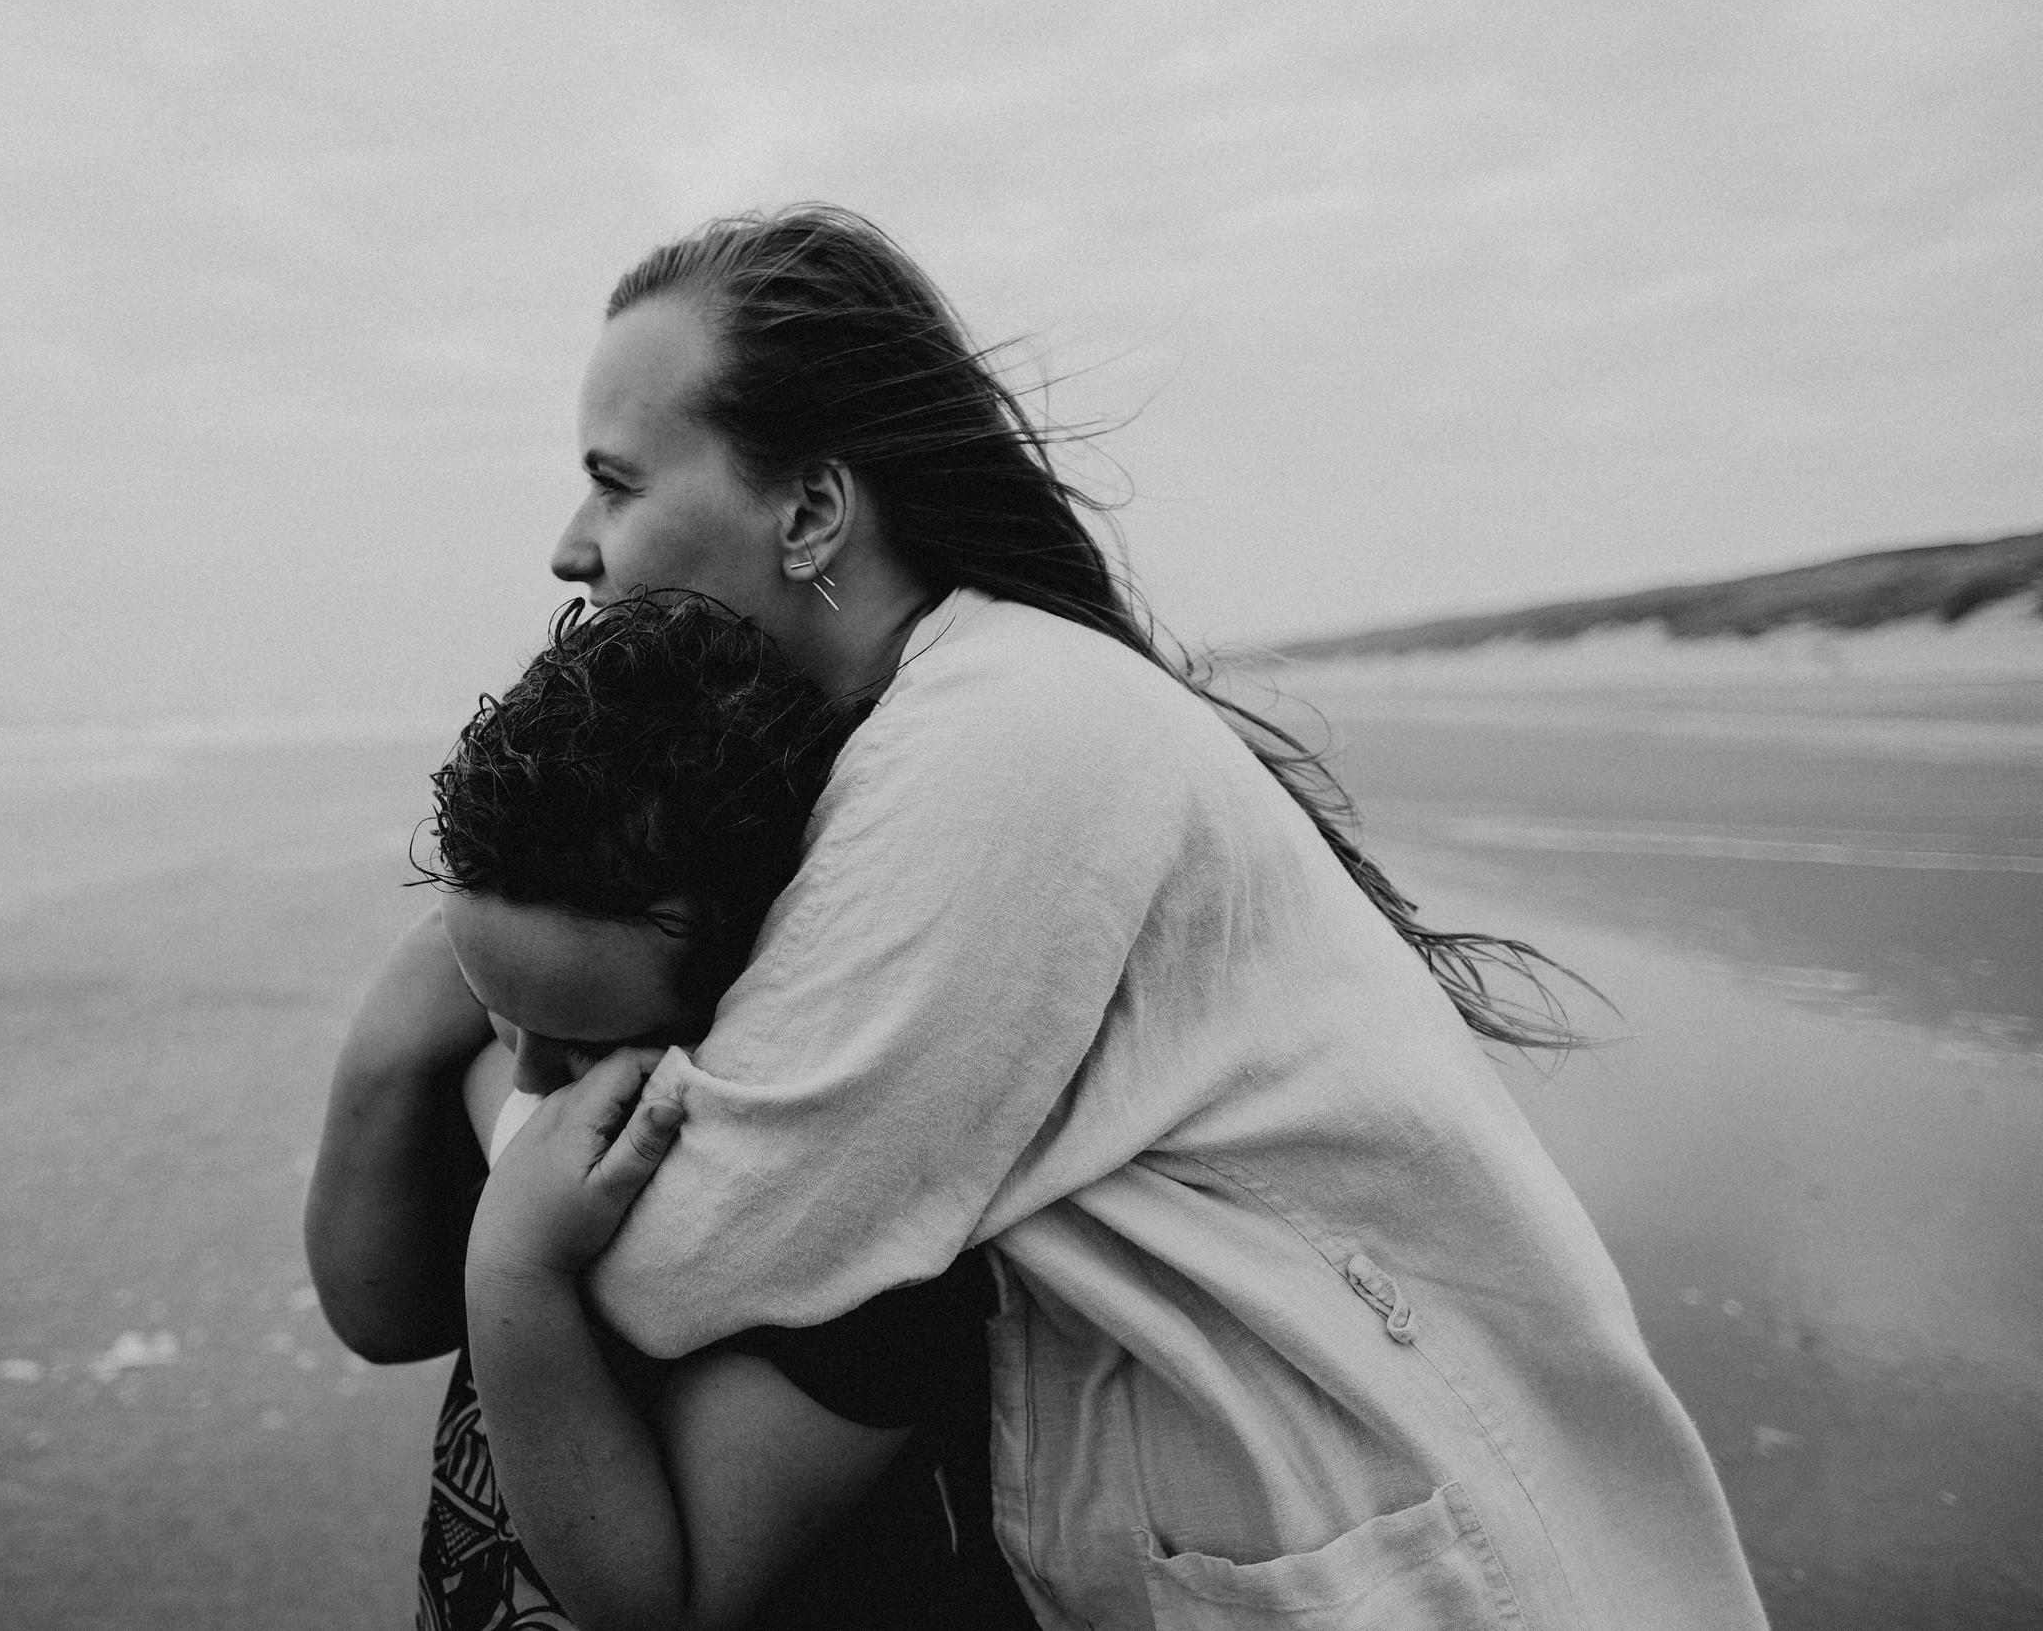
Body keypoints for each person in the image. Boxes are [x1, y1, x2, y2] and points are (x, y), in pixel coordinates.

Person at [321, 204, 1768, 1631]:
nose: (573, 545)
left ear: (812, 509)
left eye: (616, 481)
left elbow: (690, 1248)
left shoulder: (1008, 732)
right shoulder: (878, 744)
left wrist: (450, 1063)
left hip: (1421, 1573)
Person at [311, 593, 1039, 1630]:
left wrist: (516, 1262)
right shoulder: (564, 1009)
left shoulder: (861, 1224)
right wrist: (396, 1038)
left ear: (759, 982)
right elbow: (376, 1315)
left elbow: (659, 1606)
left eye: (581, 1042)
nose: (522, 1078)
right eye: (493, 1011)